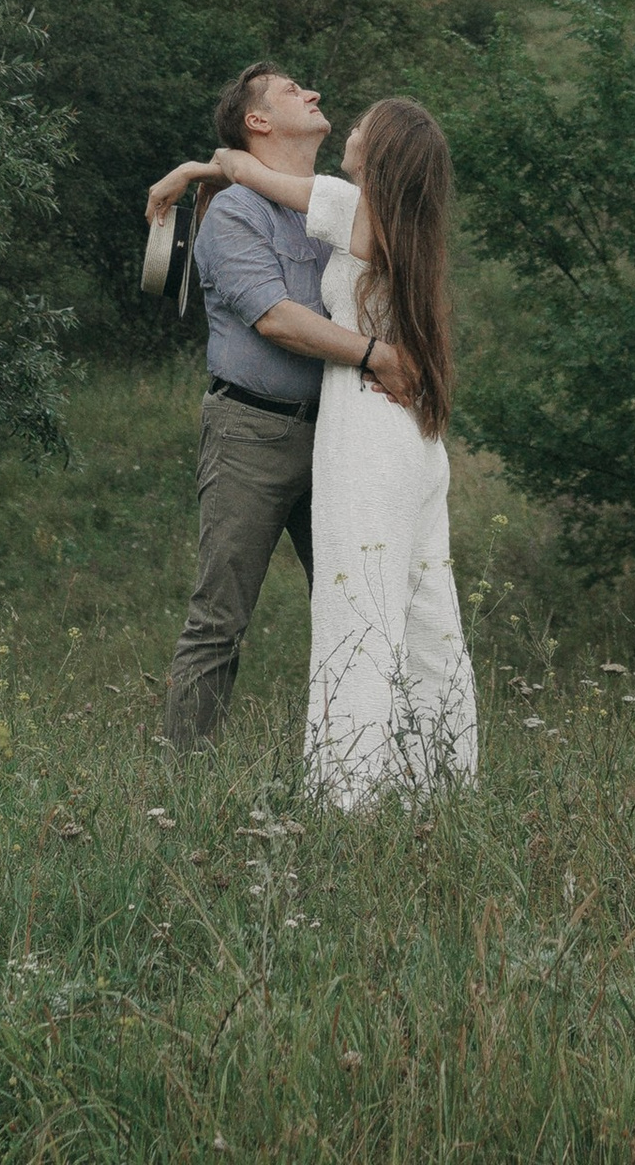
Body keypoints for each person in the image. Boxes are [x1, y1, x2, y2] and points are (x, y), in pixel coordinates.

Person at [150, 89, 478, 809]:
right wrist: (376, 355)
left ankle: (358, 791)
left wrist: (200, 168)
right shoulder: (285, 213)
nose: (321, 98)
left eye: (362, 124)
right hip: (269, 431)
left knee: (359, 606)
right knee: (385, 605)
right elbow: (274, 316)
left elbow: (256, 175)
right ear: (258, 120)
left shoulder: (336, 203)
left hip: (353, 431)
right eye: (291, 89)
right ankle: (183, 786)